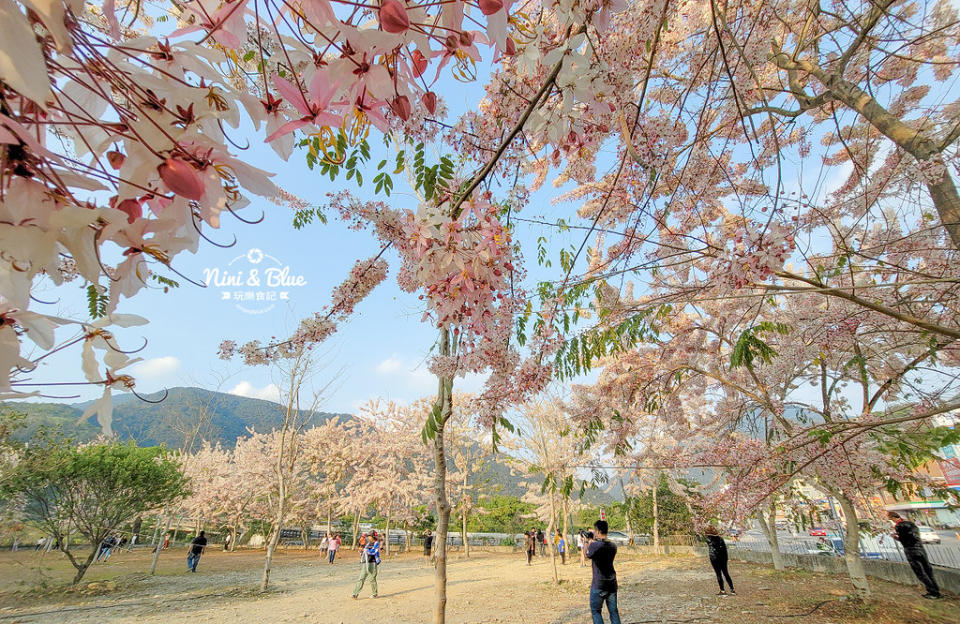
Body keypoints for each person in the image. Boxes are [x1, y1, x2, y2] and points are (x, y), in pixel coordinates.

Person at [889, 512, 941, 599]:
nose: (892, 521)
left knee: (920, 572)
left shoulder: (899, 526)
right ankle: (936, 590)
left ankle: (932, 592)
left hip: (910, 550)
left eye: (891, 519)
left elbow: (903, 539)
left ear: (894, 518)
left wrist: (895, 537)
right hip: (920, 549)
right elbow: (915, 536)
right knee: (928, 570)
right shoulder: (911, 524)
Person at [585, 520, 621, 624]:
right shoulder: (613, 546)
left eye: (595, 531)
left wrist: (587, 541)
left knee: (596, 612)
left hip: (598, 584)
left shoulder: (594, 546)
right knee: (614, 612)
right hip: (612, 584)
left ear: (598, 531)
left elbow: (587, 555)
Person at [704, 526, 735, 595]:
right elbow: (724, 550)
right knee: (726, 573)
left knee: (718, 574)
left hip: (714, 559)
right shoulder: (720, 539)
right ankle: (732, 589)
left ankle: (722, 590)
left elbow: (700, 539)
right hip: (723, 558)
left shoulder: (709, 539)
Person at [352, 532, 380, 599]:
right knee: (361, 577)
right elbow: (364, 553)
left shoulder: (376, 543)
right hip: (366, 562)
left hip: (373, 562)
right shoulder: (367, 544)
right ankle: (355, 593)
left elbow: (374, 552)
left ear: (373, 536)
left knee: (372, 578)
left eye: (369, 536)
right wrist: (360, 551)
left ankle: (374, 594)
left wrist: (365, 550)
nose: (368, 537)